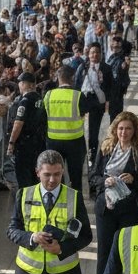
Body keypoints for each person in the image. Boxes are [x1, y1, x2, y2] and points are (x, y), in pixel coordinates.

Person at [88, 113, 138, 274]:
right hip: (106, 209)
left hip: (129, 210)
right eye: (121, 128)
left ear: (135, 130)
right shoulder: (106, 148)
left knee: (126, 250)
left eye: (128, 129)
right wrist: (105, 181)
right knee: (104, 251)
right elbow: (93, 177)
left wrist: (134, 179)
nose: (124, 132)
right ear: (115, 129)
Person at [42, 65, 89, 197]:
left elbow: (44, 115)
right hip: (75, 141)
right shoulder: (78, 95)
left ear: (58, 78)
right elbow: (84, 111)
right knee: (76, 176)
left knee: (55, 175)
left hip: (53, 141)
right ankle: (76, 202)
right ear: (72, 78)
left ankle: (58, 199)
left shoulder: (48, 95)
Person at [6, 71, 46, 188]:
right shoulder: (40, 99)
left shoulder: (24, 101)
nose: (19, 85)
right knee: (36, 176)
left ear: (25, 84)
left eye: (20, 83)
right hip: (39, 142)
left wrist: (11, 142)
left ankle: (25, 199)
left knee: (23, 178)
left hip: (25, 144)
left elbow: (18, 123)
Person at [77, 43, 113, 161]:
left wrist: (108, 102)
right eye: (92, 52)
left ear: (101, 54)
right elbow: (77, 83)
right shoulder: (83, 67)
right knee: (79, 127)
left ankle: (92, 155)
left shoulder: (106, 68)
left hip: (97, 101)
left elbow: (110, 87)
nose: (95, 55)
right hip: (83, 99)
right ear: (88, 54)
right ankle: (81, 152)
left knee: (94, 130)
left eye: (97, 52)